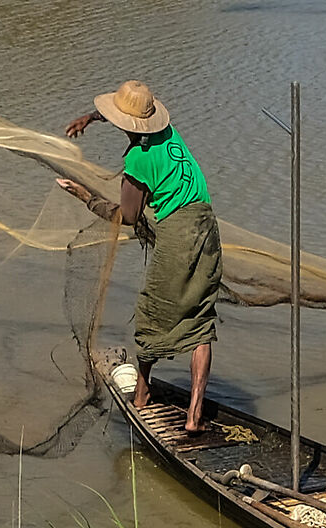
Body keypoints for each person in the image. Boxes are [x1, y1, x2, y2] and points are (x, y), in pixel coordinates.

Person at [56, 80, 222, 432]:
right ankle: (194, 416)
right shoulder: (168, 134)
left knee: (152, 313)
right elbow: (131, 121)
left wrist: (84, 195)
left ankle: (142, 396)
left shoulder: (137, 160)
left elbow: (128, 217)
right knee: (201, 321)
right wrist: (90, 117)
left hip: (178, 234)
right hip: (207, 228)